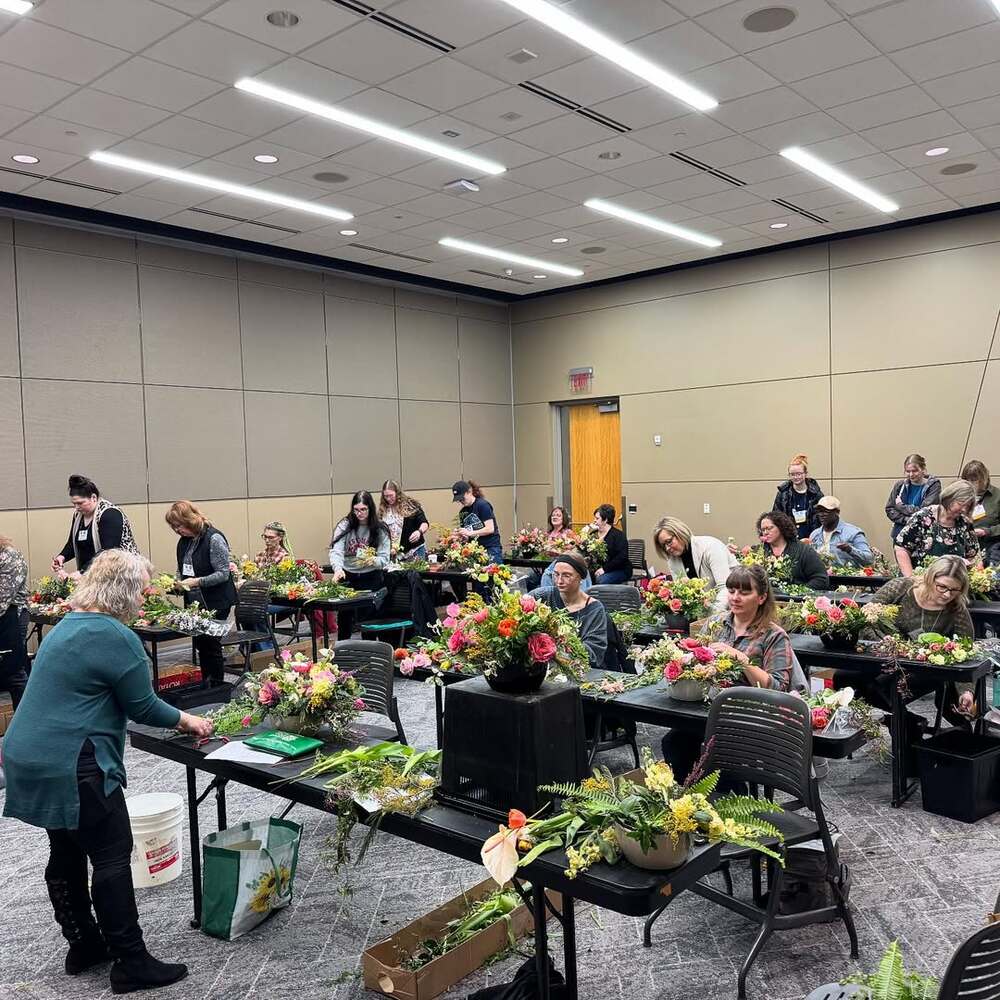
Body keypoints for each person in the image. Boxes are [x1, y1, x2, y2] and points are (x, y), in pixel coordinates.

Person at [1, 550, 212, 993]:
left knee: (66, 849)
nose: (146, 598)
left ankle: (84, 945)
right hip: (74, 763)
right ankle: (131, 961)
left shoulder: (67, 626)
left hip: (26, 753)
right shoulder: (117, 637)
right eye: (143, 589)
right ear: (127, 592)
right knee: (112, 854)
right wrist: (189, 720)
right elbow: (144, 706)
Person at [659, 564, 807, 781]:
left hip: (751, 717)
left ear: (761, 597)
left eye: (745, 592)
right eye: (731, 591)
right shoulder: (715, 624)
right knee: (673, 742)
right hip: (709, 709)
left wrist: (741, 660)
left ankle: (730, 804)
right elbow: (699, 661)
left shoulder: (773, 636)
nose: (735, 597)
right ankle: (692, 802)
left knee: (719, 751)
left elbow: (777, 688)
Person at [851, 556, 974, 730]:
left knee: (888, 688)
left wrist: (966, 691)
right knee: (845, 678)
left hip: (922, 669)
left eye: (954, 590)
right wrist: (880, 641)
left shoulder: (956, 610)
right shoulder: (900, 588)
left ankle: (905, 729)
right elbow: (865, 617)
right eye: (942, 587)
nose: (947, 594)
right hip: (885, 657)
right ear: (930, 579)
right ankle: (910, 723)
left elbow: (965, 650)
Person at [166, 501, 236, 687]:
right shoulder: (183, 542)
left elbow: (223, 573)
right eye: (173, 527)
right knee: (200, 644)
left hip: (216, 601)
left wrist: (197, 581)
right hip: (195, 602)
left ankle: (218, 687)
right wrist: (176, 583)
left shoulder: (214, 538)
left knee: (210, 644)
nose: (177, 530)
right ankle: (207, 684)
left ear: (190, 520)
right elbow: (182, 570)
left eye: (179, 525)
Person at [330, 490, 391, 640]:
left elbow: (384, 559)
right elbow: (336, 550)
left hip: (370, 576)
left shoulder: (380, 529)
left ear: (370, 509)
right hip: (348, 575)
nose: (359, 513)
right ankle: (343, 653)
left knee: (368, 620)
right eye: (356, 510)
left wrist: (373, 560)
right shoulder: (345, 525)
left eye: (363, 509)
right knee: (344, 619)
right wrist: (337, 569)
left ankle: (368, 654)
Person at [530, 552, 608, 669]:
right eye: (556, 575)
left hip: (579, 672)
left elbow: (594, 655)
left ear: (581, 577)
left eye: (567, 575)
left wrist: (559, 644)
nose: (559, 581)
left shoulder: (594, 610)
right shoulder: (541, 596)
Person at [52, 475, 140, 577]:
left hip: (121, 573)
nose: (76, 507)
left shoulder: (110, 514)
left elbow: (108, 552)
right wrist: (62, 557)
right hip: (93, 573)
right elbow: (73, 543)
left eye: (80, 503)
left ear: (93, 498)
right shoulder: (78, 516)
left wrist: (82, 571)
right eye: (74, 504)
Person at [894, 480, 979, 577]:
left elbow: (974, 556)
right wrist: (911, 579)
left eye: (967, 506)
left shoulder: (965, 523)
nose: (964, 509)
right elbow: (901, 548)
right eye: (961, 503)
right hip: (922, 583)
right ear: (950, 497)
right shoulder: (924, 517)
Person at [652, 516, 737, 611]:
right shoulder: (672, 561)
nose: (667, 548)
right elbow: (682, 595)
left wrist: (712, 616)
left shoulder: (711, 547)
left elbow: (726, 588)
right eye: (663, 546)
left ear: (680, 533)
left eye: (669, 542)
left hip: (732, 609)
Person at [757, 511, 829, 590]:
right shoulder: (758, 552)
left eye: (769, 528)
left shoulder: (803, 550)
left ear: (781, 527)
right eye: (763, 530)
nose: (766, 533)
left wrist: (798, 591)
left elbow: (821, 579)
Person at [885, 454, 941, 544]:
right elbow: (890, 509)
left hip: (922, 537)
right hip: (899, 534)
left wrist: (900, 506)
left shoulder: (933, 487)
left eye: (914, 471)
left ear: (923, 469)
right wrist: (907, 520)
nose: (911, 475)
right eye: (908, 471)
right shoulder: (900, 485)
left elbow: (925, 512)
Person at [0, 534, 29, 711]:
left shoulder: (10, 557)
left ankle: (25, 722)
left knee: (14, 673)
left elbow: (2, 600)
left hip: (11, 618)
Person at [808, 497, 873, 567]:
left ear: (837, 512)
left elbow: (869, 559)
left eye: (826, 511)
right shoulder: (815, 535)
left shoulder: (853, 533)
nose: (821, 514)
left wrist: (850, 550)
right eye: (819, 511)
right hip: (821, 576)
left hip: (846, 576)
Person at [772, 454, 824, 539]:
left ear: (805, 474)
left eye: (799, 474)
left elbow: (822, 518)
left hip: (812, 538)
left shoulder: (816, 494)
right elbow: (775, 517)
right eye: (792, 474)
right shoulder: (783, 494)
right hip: (789, 539)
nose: (796, 477)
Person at [961, 460, 1000, 566]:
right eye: (967, 480)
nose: (970, 483)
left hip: (991, 544)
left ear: (983, 478)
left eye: (974, 480)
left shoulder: (997, 496)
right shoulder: (961, 496)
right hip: (964, 544)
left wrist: (986, 531)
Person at [453, 480, 502, 562]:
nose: (461, 501)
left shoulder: (482, 505)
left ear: (469, 492)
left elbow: (490, 529)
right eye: (459, 500)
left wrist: (469, 533)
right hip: (475, 551)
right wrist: (460, 535)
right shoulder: (462, 512)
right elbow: (467, 536)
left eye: (462, 498)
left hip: (490, 549)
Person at [379, 480, 429, 559]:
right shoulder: (383, 509)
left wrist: (419, 532)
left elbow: (424, 523)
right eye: (386, 496)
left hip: (414, 550)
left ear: (397, 493)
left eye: (391, 495)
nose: (388, 498)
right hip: (395, 553)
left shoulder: (411, 505)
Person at [590, 504, 632, 584]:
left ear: (605, 520)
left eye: (597, 518)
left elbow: (622, 557)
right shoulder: (593, 534)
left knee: (601, 580)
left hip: (619, 569)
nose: (594, 520)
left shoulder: (618, 535)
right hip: (598, 569)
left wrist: (604, 569)